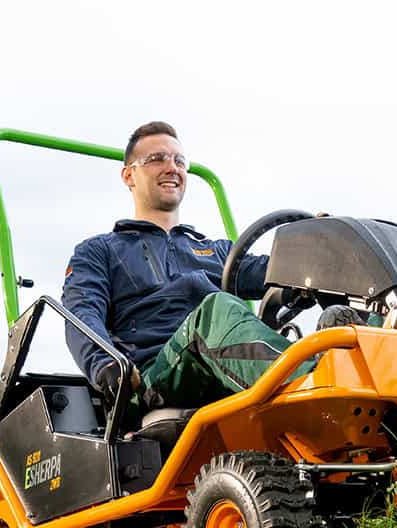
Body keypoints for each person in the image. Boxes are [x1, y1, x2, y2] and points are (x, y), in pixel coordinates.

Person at [61, 121, 319, 409]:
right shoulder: (100, 250)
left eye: (179, 160)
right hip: (153, 378)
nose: (172, 167)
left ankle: (357, 366)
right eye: (156, 159)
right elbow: (82, 311)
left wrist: (320, 247)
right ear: (129, 175)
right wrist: (105, 365)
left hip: (219, 366)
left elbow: (276, 270)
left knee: (353, 317)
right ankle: (312, 386)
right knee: (213, 310)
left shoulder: (218, 251)